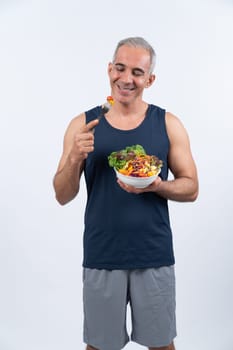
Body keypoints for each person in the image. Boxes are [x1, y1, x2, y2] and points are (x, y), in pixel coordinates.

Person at [53, 37, 198, 350]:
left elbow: (191, 187)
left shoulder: (168, 124)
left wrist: (158, 185)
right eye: (120, 68)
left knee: (162, 345)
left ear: (150, 79)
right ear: (109, 70)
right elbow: (62, 194)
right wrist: (75, 158)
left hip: (154, 254)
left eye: (137, 72)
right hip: (102, 255)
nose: (127, 79)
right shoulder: (83, 125)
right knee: (99, 347)